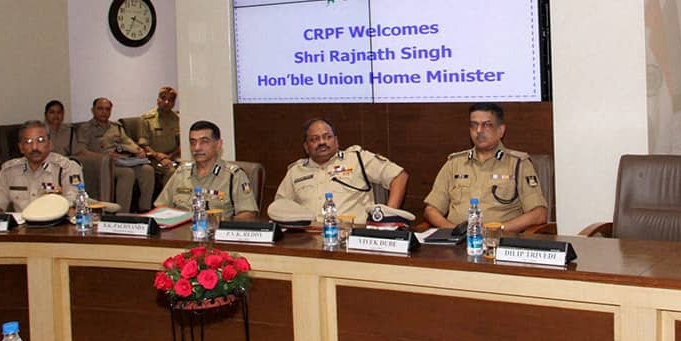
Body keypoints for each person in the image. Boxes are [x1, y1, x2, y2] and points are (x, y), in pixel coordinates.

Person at [424, 102, 548, 232]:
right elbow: (431, 209)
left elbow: (539, 214)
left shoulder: (518, 164)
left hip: (498, 241)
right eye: (474, 125)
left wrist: (496, 229)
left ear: (501, 130)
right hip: (455, 242)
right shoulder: (455, 163)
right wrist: (453, 230)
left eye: (487, 125)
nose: (479, 131)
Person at [273, 118, 408, 222]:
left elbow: (399, 176)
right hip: (308, 238)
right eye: (314, 139)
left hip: (354, 235)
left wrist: (388, 216)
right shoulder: (296, 171)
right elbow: (280, 206)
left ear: (336, 141)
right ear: (306, 147)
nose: (322, 142)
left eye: (327, 137)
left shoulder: (357, 159)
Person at [154, 120, 257, 220]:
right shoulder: (182, 173)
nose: (197, 148)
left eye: (204, 142)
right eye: (193, 142)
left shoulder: (234, 175)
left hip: (216, 233)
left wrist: (223, 224)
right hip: (181, 233)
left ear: (218, 144)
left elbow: (248, 214)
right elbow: (161, 207)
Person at [74, 97, 155, 212]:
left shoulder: (116, 126)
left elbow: (127, 141)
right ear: (93, 110)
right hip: (102, 165)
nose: (104, 112)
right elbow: (81, 151)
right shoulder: (85, 128)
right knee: (127, 173)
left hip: (121, 160)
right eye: (100, 109)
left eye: (107, 109)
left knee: (147, 170)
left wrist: (138, 150)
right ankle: (122, 214)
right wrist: (105, 158)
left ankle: (145, 209)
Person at [0, 120, 81, 214]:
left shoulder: (67, 168)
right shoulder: (9, 170)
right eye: (28, 142)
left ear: (50, 144)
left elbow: (73, 205)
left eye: (40, 140)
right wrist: (6, 223)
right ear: (21, 148)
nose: (34, 147)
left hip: (55, 226)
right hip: (20, 227)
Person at [138, 86, 181, 196]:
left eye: (170, 100)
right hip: (153, 157)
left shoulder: (178, 119)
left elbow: (182, 143)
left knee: (189, 169)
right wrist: (158, 156)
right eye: (163, 98)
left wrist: (170, 156)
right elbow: (143, 144)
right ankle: (165, 205)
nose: (166, 102)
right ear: (158, 100)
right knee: (171, 171)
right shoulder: (147, 119)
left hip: (173, 156)